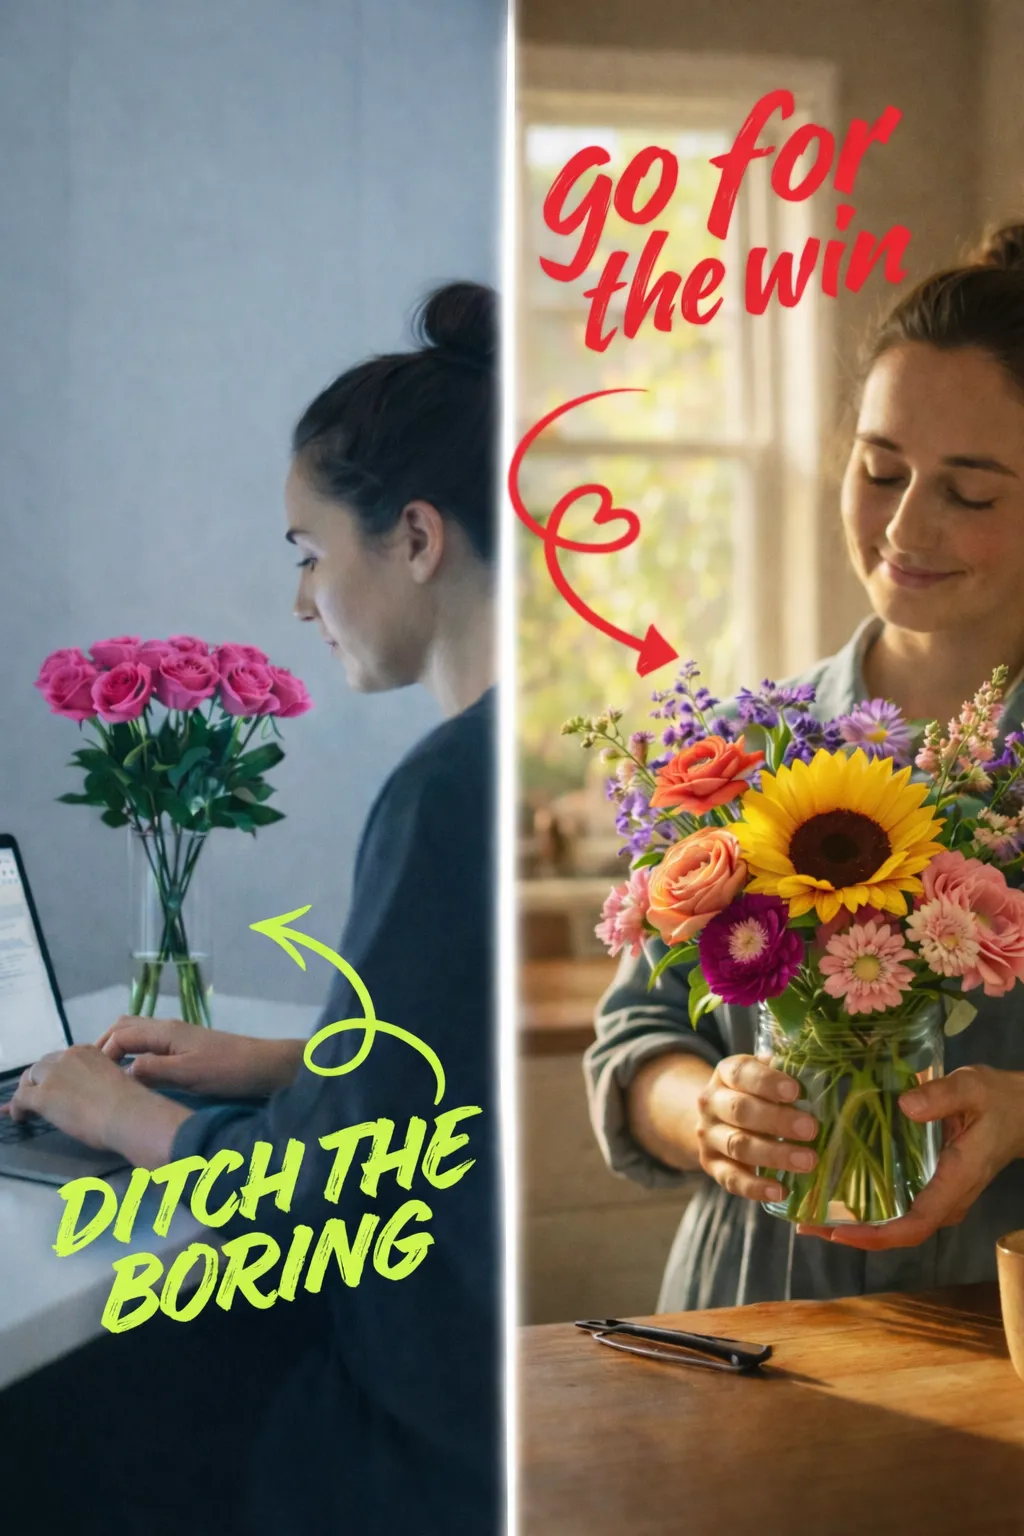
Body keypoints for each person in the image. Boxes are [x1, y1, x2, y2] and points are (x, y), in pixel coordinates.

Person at [0, 280, 499, 1534]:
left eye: (307, 554)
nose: (299, 601)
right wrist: (283, 1062)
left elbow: (332, 1189)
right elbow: (453, 1077)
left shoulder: (448, 791)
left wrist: (125, 1117)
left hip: (419, 1436)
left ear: (417, 538)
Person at [586, 224, 1024, 1313]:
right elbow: (635, 1040)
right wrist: (709, 1116)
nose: (905, 526)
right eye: (880, 471)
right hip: (747, 1312)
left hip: (996, 1328)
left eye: (970, 493)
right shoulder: (737, 753)